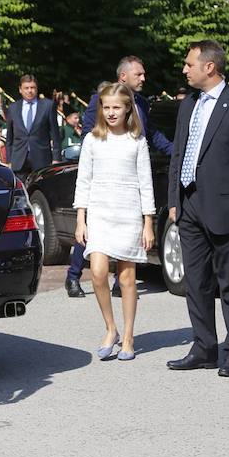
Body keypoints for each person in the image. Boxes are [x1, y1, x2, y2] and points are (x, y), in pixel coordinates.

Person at [166, 39, 229, 378]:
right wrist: (174, 202)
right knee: (196, 282)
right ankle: (204, 348)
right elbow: (178, 154)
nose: (184, 69)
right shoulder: (187, 105)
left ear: (209, 66)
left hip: (226, 209)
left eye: (189, 63)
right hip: (190, 204)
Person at [66, 56, 173, 298]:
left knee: (127, 231)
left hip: (131, 175)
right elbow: (87, 135)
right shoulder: (101, 100)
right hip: (102, 176)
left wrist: (176, 150)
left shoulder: (143, 104)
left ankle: (119, 283)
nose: (144, 78)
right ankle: (73, 276)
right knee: (91, 229)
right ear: (123, 76)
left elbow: (153, 134)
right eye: (139, 74)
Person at [74, 83, 155, 361]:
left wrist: (148, 222)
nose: (110, 113)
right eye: (106, 107)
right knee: (97, 272)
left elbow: (146, 183)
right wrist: (80, 219)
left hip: (128, 213)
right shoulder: (92, 140)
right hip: (99, 213)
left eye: (116, 107)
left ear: (127, 108)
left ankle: (129, 336)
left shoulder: (137, 141)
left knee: (127, 277)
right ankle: (111, 328)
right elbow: (83, 180)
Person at [5, 74, 62, 181]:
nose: (29, 91)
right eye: (26, 88)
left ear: (36, 89)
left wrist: (56, 159)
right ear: (20, 90)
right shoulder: (13, 108)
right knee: (19, 193)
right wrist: (9, 160)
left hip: (41, 160)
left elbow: (55, 135)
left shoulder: (47, 106)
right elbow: (9, 138)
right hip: (19, 160)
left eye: (32, 88)